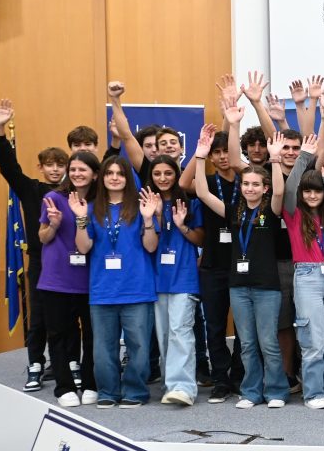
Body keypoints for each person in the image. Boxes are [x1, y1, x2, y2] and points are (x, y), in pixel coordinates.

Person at [194, 136, 288, 410]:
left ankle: (276, 390)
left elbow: (280, 193)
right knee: (246, 343)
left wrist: (275, 159)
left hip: (266, 286)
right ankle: (251, 391)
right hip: (239, 286)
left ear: (264, 187)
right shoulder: (234, 212)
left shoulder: (271, 210)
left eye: (256, 184)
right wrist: (200, 158)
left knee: (268, 342)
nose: (250, 188)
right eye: (246, 184)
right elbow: (202, 193)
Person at [0, 98, 67, 391]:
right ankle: (35, 364)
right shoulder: (31, 189)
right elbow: (9, 168)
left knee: (68, 317)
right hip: (40, 261)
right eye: (49, 165)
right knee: (39, 318)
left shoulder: (76, 190)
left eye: (60, 164)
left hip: (71, 263)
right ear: (40, 167)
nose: (55, 170)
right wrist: (0, 132)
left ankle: (68, 364)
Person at [74, 156, 160, 408]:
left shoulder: (140, 207)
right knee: (103, 347)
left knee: (139, 346)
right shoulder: (91, 209)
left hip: (137, 288)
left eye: (120, 173)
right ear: (101, 178)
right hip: (103, 290)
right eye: (109, 173)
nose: (114, 178)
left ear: (127, 178)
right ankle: (108, 391)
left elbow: (151, 247)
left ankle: (135, 391)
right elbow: (83, 247)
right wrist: (80, 219)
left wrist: (148, 219)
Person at [278, 147, 324, 410]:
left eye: (317, 191)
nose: (312, 195)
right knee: (313, 340)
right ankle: (313, 393)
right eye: (307, 191)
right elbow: (289, 189)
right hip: (307, 276)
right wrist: (304, 158)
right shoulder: (293, 214)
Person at [179, 121, 243, 403]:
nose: (222, 156)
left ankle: (239, 376)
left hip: (242, 264)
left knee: (243, 328)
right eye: (217, 152)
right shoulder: (205, 181)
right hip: (213, 265)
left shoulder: (246, 181)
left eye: (225, 151)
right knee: (215, 326)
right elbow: (184, 184)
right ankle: (220, 379)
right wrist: (200, 152)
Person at [38, 151, 99, 407]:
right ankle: (64, 386)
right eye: (73, 169)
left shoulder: (101, 201)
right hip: (57, 279)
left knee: (93, 335)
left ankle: (90, 383)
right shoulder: (54, 198)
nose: (76, 174)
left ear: (94, 174)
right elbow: (43, 237)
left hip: (92, 280)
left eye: (82, 169)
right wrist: (53, 224)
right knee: (59, 334)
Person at [146, 155, 202, 406]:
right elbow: (147, 244)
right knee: (164, 334)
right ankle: (170, 384)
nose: (163, 178)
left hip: (184, 277)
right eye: (157, 173)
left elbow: (201, 239)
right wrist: (155, 216)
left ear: (177, 174)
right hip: (157, 279)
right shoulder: (146, 203)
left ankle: (184, 387)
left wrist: (181, 226)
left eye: (168, 173)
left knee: (181, 331)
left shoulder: (190, 202)